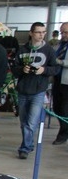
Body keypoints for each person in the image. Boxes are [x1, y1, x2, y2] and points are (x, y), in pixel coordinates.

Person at [12, 21, 58, 159]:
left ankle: (25, 147)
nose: (41, 35)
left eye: (43, 32)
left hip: (38, 90)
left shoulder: (49, 50)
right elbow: (14, 68)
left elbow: (55, 68)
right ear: (31, 33)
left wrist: (44, 70)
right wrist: (22, 70)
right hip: (23, 89)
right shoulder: (22, 50)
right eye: (38, 32)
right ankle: (28, 143)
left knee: (32, 122)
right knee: (24, 121)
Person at [51, 23, 68, 145]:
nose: (63, 35)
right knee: (57, 108)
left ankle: (63, 134)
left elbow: (59, 61)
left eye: (66, 32)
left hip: (67, 82)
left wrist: (60, 62)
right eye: (62, 32)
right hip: (57, 80)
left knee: (64, 109)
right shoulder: (58, 45)